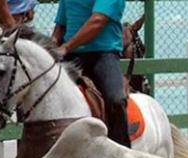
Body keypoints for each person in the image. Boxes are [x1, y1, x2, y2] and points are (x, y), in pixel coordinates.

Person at [52, 0, 131, 148]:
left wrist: (66, 47)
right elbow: (60, 26)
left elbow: (98, 21)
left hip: (103, 54)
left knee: (115, 100)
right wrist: (50, 47)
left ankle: (121, 150)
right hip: (70, 55)